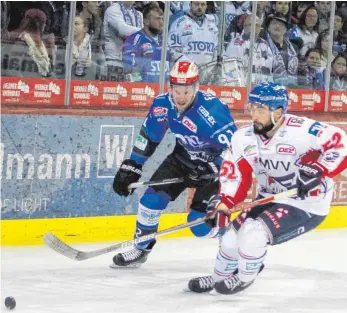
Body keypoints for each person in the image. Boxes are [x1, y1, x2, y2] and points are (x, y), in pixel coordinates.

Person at [187, 82, 347, 295]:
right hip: (269, 196)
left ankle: (244, 277)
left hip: (306, 202)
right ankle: (219, 277)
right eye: (252, 108)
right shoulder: (243, 138)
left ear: (278, 111)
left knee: (253, 235)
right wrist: (225, 201)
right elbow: (236, 174)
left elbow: (340, 143)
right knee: (229, 237)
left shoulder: (303, 130)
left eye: (260, 110)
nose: (254, 115)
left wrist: (320, 168)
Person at [112, 61, 237, 268]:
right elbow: (149, 136)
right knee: (150, 202)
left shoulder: (213, 112)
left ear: (195, 88)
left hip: (215, 168)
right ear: (170, 87)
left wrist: (209, 168)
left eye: (186, 91)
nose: (181, 97)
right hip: (182, 158)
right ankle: (141, 249)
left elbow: (234, 152)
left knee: (198, 226)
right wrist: (133, 165)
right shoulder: (162, 105)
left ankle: (230, 236)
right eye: (176, 90)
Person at [122, 2, 169, 83]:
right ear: (146, 21)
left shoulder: (164, 39)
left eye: (162, 19)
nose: (161, 22)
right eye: (157, 19)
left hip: (164, 89)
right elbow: (129, 71)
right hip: (144, 91)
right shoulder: (134, 39)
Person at [168, 1, 219, 66]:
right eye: (196, 4)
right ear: (190, 5)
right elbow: (172, 51)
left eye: (202, 4)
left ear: (206, 6)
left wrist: (212, 65)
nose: (199, 7)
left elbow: (217, 48)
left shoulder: (212, 25)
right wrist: (189, 65)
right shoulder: (179, 23)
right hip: (186, 71)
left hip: (208, 72)